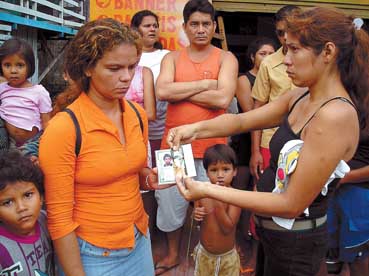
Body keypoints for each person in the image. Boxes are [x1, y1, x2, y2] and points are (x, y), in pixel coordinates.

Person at [168, 7, 369, 276]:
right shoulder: (300, 95)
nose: (285, 59)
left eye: (294, 49)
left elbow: (291, 204)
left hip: (296, 246)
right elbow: (242, 121)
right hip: (274, 236)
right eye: (285, 49)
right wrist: (193, 129)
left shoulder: (334, 115)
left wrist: (208, 190)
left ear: (328, 53)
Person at [39, 18, 169, 276]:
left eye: (132, 67)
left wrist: (149, 179)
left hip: (139, 240)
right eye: (114, 68)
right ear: (87, 68)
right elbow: (60, 219)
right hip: (92, 253)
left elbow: (134, 172)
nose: (126, 77)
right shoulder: (63, 129)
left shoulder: (136, 114)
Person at [154, 0, 238, 274]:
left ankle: (202, 255)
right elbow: (162, 92)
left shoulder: (226, 58)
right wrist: (205, 84)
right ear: (185, 27)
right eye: (195, 24)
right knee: (170, 206)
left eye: (206, 24)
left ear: (214, 27)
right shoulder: (171, 58)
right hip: (175, 148)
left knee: (212, 208)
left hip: (215, 152)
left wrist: (179, 88)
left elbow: (223, 97)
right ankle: (173, 255)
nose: (200, 29)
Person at [231, 37, 276, 241]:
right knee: (239, 192)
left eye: (271, 53)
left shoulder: (278, 78)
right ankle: (237, 240)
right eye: (262, 53)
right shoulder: (243, 80)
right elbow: (252, 115)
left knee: (259, 192)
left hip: (266, 140)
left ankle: (253, 239)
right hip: (245, 142)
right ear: (252, 57)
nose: (267, 57)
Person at [249, 5, 301, 181]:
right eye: (280, 33)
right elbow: (257, 111)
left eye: (291, 30)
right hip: (271, 141)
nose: (285, 37)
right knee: (266, 193)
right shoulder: (268, 64)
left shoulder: (315, 61)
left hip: (304, 140)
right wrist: (255, 151)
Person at [0, 151, 54, 276]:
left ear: (41, 197)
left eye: (28, 195)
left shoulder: (47, 221)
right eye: (7, 202)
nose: (21, 208)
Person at [192, 144, 241, 276]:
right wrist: (196, 215)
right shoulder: (202, 193)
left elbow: (227, 229)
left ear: (234, 171)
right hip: (204, 255)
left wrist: (218, 204)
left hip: (226, 259)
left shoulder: (236, 197)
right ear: (206, 173)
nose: (220, 175)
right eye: (214, 170)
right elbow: (199, 224)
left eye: (226, 169)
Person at [0, 38, 52, 161]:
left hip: (33, 142)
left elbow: (47, 123)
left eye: (20, 65)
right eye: (7, 65)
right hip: (9, 142)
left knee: (28, 169)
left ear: (29, 67)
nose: (13, 71)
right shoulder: (2, 89)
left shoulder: (39, 92)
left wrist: (47, 145)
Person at [327, 126, 369, 275]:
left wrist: (343, 178)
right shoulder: (345, 104)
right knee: (329, 257)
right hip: (330, 190)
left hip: (359, 195)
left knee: (358, 257)